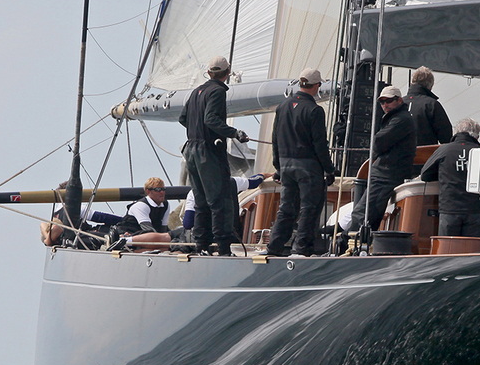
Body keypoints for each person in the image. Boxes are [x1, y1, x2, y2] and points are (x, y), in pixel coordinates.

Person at [178, 55, 251, 256]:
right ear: (228, 73)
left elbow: (183, 118)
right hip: (207, 153)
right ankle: (223, 248)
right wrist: (234, 133)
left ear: (209, 73)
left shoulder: (196, 92)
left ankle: (201, 246)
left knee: (201, 202)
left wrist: (197, 130)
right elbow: (211, 119)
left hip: (191, 150)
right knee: (219, 201)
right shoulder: (217, 91)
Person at [264, 68, 337, 257]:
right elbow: (320, 145)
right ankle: (301, 249)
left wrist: (278, 167)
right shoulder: (315, 110)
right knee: (309, 209)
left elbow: (275, 139)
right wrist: (329, 170)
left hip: (286, 166)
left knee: (286, 209)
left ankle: (273, 247)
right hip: (308, 167)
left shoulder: (283, 106)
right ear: (316, 86)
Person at [347, 85, 417, 234]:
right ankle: (357, 242)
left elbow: (378, 142)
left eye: (389, 101)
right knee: (366, 214)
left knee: (363, 214)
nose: (385, 105)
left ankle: (350, 244)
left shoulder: (401, 119)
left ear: (399, 100)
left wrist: (375, 152)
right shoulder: (398, 118)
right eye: (382, 102)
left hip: (386, 174)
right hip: (387, 172)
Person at [420, 118, 480, 237]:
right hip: (475, 210)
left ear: (455, 133)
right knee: (472, 252)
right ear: (476, 136)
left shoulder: (444, 150)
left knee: (448, 249)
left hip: (449, 209)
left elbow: (425, 174)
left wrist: (443, 173)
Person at [109, 177, 173, 252]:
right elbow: (147, 229)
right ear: (148, 191)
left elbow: (163, 228)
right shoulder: (141, 206)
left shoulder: (165, 205)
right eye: (158, 190)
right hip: (132, 233)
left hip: (150, 234)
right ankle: (126, 247)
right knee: (155, 246)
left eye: (163, 189)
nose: (162, 192)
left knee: (167, 246)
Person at [404, 66, 452, 147]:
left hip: (399, 156)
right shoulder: (432, 105)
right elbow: (446, 136)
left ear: (411, 84)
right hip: (424, 156)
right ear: (430, 86)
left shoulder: (399, 103)